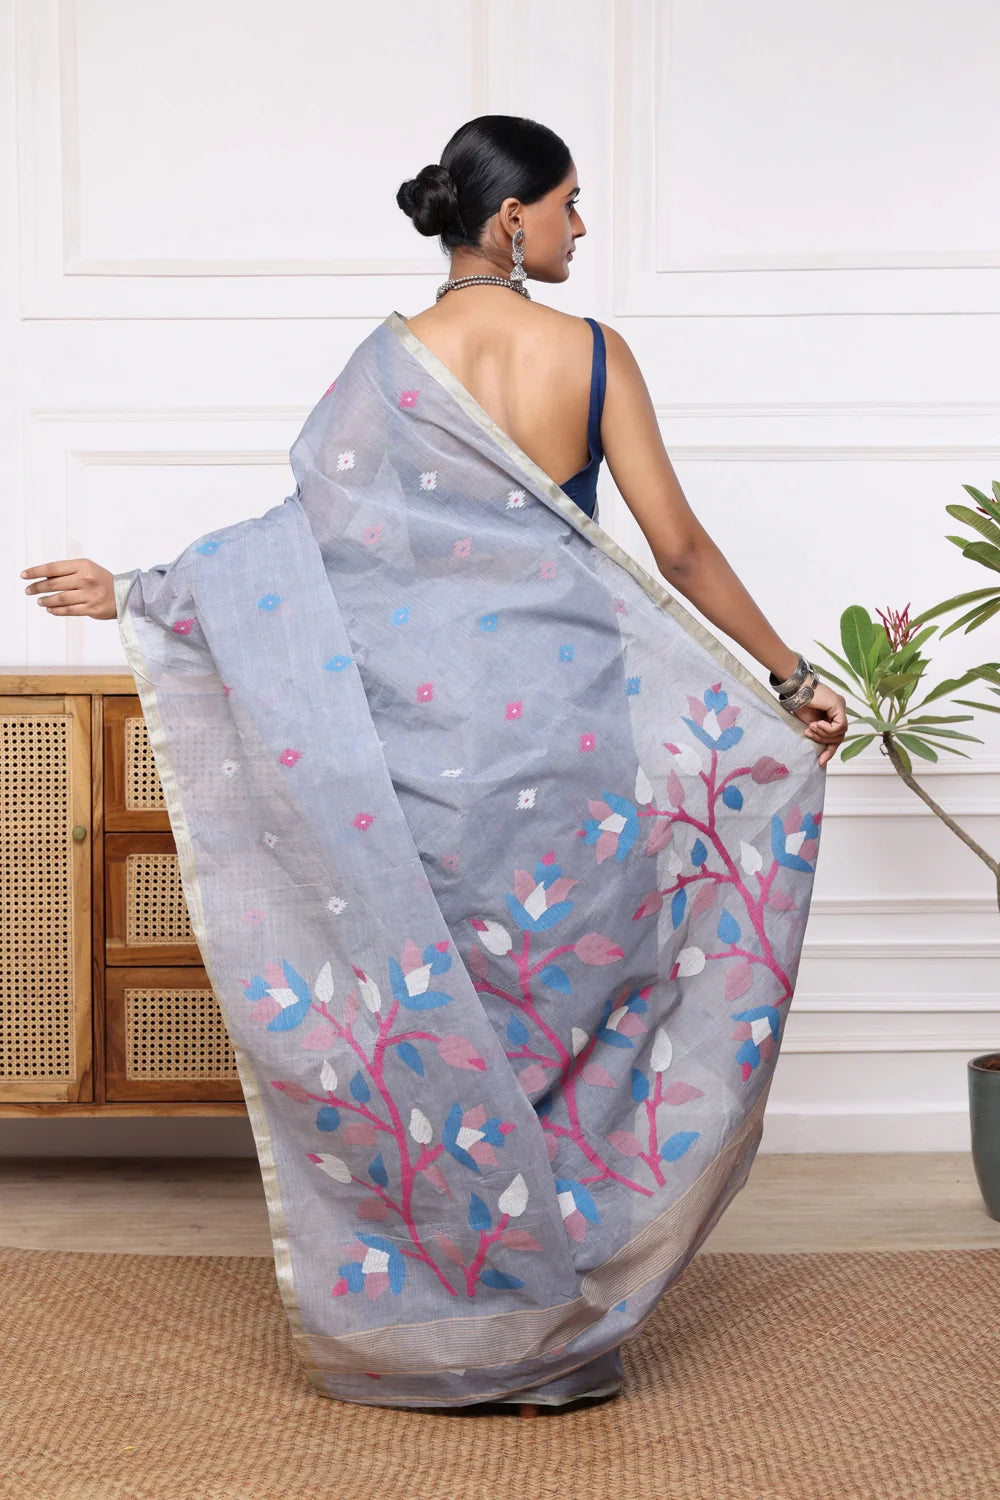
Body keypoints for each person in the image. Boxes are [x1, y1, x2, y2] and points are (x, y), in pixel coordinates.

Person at [20, 115, 845, 1417]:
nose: (581, 227)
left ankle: (466, 1327)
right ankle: (560, 1329)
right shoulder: (591, 354)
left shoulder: (385, 366)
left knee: (461, 1026)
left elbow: (305, 549)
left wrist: (144, 588)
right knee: (575, 1009)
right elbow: (679, 551)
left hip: (419, 750)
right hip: (572, 740)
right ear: (513, 219)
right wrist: (790, 682)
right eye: (569, 203)